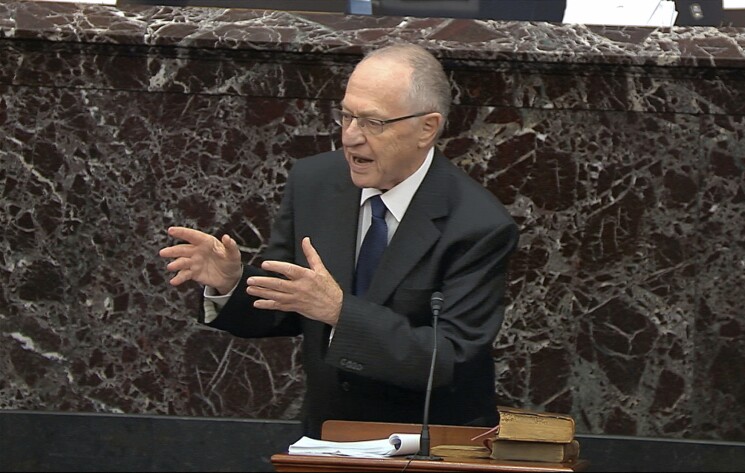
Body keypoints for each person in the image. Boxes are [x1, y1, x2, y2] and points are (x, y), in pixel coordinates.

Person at [159, 43, 519, 438]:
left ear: (427, 128)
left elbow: (450, 358)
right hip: (327, 437)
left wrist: (340, 312)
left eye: (372, 123)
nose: (350, 138)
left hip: (431, 443)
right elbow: (285, 304)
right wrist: (230, 283)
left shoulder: (478, 224)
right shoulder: (314, 183)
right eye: (346, 116)